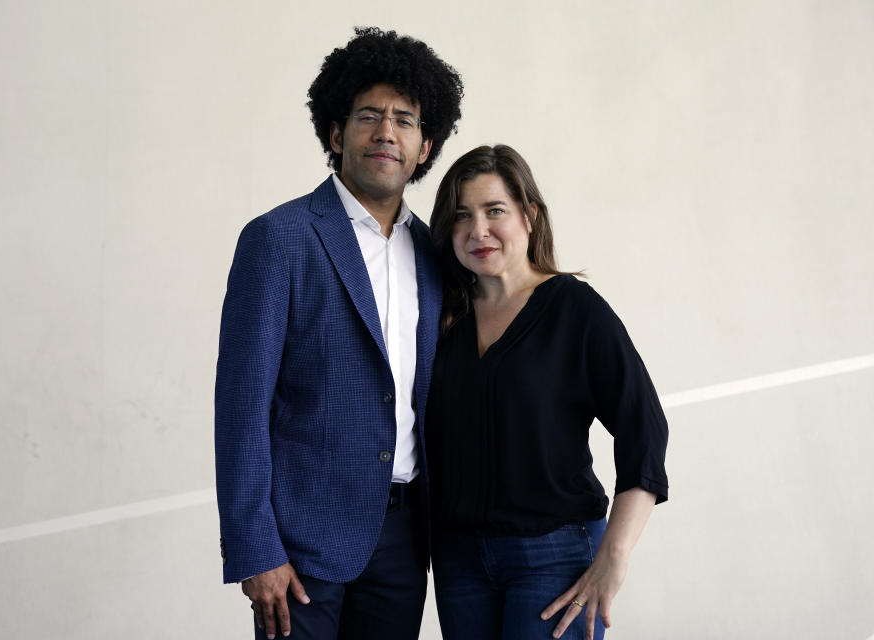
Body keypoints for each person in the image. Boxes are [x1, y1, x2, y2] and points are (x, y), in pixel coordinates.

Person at [214, 27, 463, 640]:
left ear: (425, 146)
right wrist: (255, 548)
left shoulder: (436, 252)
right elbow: (241, 406)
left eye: (405, 120)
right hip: (298, 542)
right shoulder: (279, 239)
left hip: (405, 541)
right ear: (335, 133)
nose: (386, 132)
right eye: (369, 116)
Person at [425, 145, 669, 640]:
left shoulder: (574, 311)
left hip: (554, 557)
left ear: (529, 215)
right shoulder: (441, 319)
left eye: (495, 211)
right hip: (459, 563)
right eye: (462, 216)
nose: (478, 231)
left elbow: (644, 429)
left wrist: (614, 557)